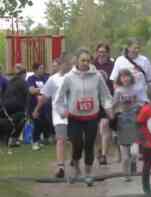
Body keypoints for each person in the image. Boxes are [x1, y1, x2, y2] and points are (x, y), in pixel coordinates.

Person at [54, 48, 113, 186]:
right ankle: (76, 168)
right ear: (77, 61)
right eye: (82, 60)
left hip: (92, 117)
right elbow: (59, 98)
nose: (85, 63)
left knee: (89, 145)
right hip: (75, 117)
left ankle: (88, 172)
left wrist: (109, 108)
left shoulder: (97, 76)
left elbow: (105, 95)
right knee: (77, 144)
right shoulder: (69, 77)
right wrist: (63, 111)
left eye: (88, 60)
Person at [32, 52, 73, 178]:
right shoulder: (53, 79)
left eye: (68, 63)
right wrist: (36, 109)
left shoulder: (75, 77)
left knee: (75, 140)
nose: (66, 66)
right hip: (59, 114)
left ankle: (74, 160)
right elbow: (44, 96)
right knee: (61, 139)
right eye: (64, 63)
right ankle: (61, 167)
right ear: (60, 65)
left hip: (75, 113)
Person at [112, 69, 143, 182]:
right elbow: (113, 105)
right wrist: (113, 116)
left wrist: (139, 107)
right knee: (125, 155)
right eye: (123, 76)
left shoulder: (136, 90)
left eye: (127, 76)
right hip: (122, 122)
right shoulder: (118, 91)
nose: (125, 78)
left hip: (134, 121)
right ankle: (126, 174)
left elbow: (141, 102)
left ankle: (133, 162)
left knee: (134, 152)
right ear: (119, 79)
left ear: (131, 77)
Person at [110, 38, 151, 103]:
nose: (137, 50)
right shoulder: (120, 60)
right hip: (125, 101)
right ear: (128, 48)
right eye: (135, 48)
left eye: (138, 48)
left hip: (142, 99)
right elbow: (114, 80)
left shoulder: (144, 60)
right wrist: (119, 94)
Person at [93, 43, 116, 165]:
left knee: (104, 125)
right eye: (99, 51)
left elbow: (116, 82)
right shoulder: (91, 65)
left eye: (104, 51)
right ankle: (99, 150)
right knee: (96, 130)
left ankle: (104, 155)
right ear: (96, 52)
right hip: (93, 100)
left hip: (108, 100)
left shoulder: (113, 66)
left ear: (108, 53)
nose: (101, 53)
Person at [27, 63, 52, 150]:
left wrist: (41, 90)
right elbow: (31, 91)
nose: (42, 70)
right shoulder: (31, 79)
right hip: (34, 105)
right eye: (41, 68)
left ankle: (43, 139)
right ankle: (35, 142)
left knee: (44, 122)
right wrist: (43, 89)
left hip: (44, 105)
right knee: (37, 123)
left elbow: (48, 90)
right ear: (35, 69)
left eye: (43, 68)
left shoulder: (45, 78)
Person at [2, 64, 28, 147]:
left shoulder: (10, 81)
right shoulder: (23, 82)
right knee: (22, 118)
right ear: (24, 74)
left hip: (5, 109)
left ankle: (11, 139)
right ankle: (13, 140)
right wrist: (27, 110)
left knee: (12, 121)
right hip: (16, 108)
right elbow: (27, 95)